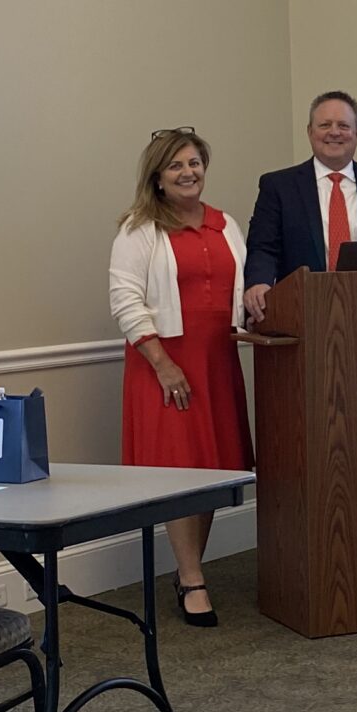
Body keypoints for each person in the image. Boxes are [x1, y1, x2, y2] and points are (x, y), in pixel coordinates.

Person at [110, 128, 251, 627]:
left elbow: (243, 290)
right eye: (176, 166)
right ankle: (192, 578)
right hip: (165, 362)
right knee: (180, 470)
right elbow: (125, 300)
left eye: (194, 163)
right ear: (158, 177)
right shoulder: (140, 228)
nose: (188, 173)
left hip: (218, 359)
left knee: (212, 469)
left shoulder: (226, 224)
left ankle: (191, 569)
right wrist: (163, 364)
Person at [242, 90, 357, 324]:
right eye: (325, 124)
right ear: (309, 132)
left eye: (343, 125)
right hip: (302, 314)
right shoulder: (278, 186)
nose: (334, 132)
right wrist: (258, 282)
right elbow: (263, 247)